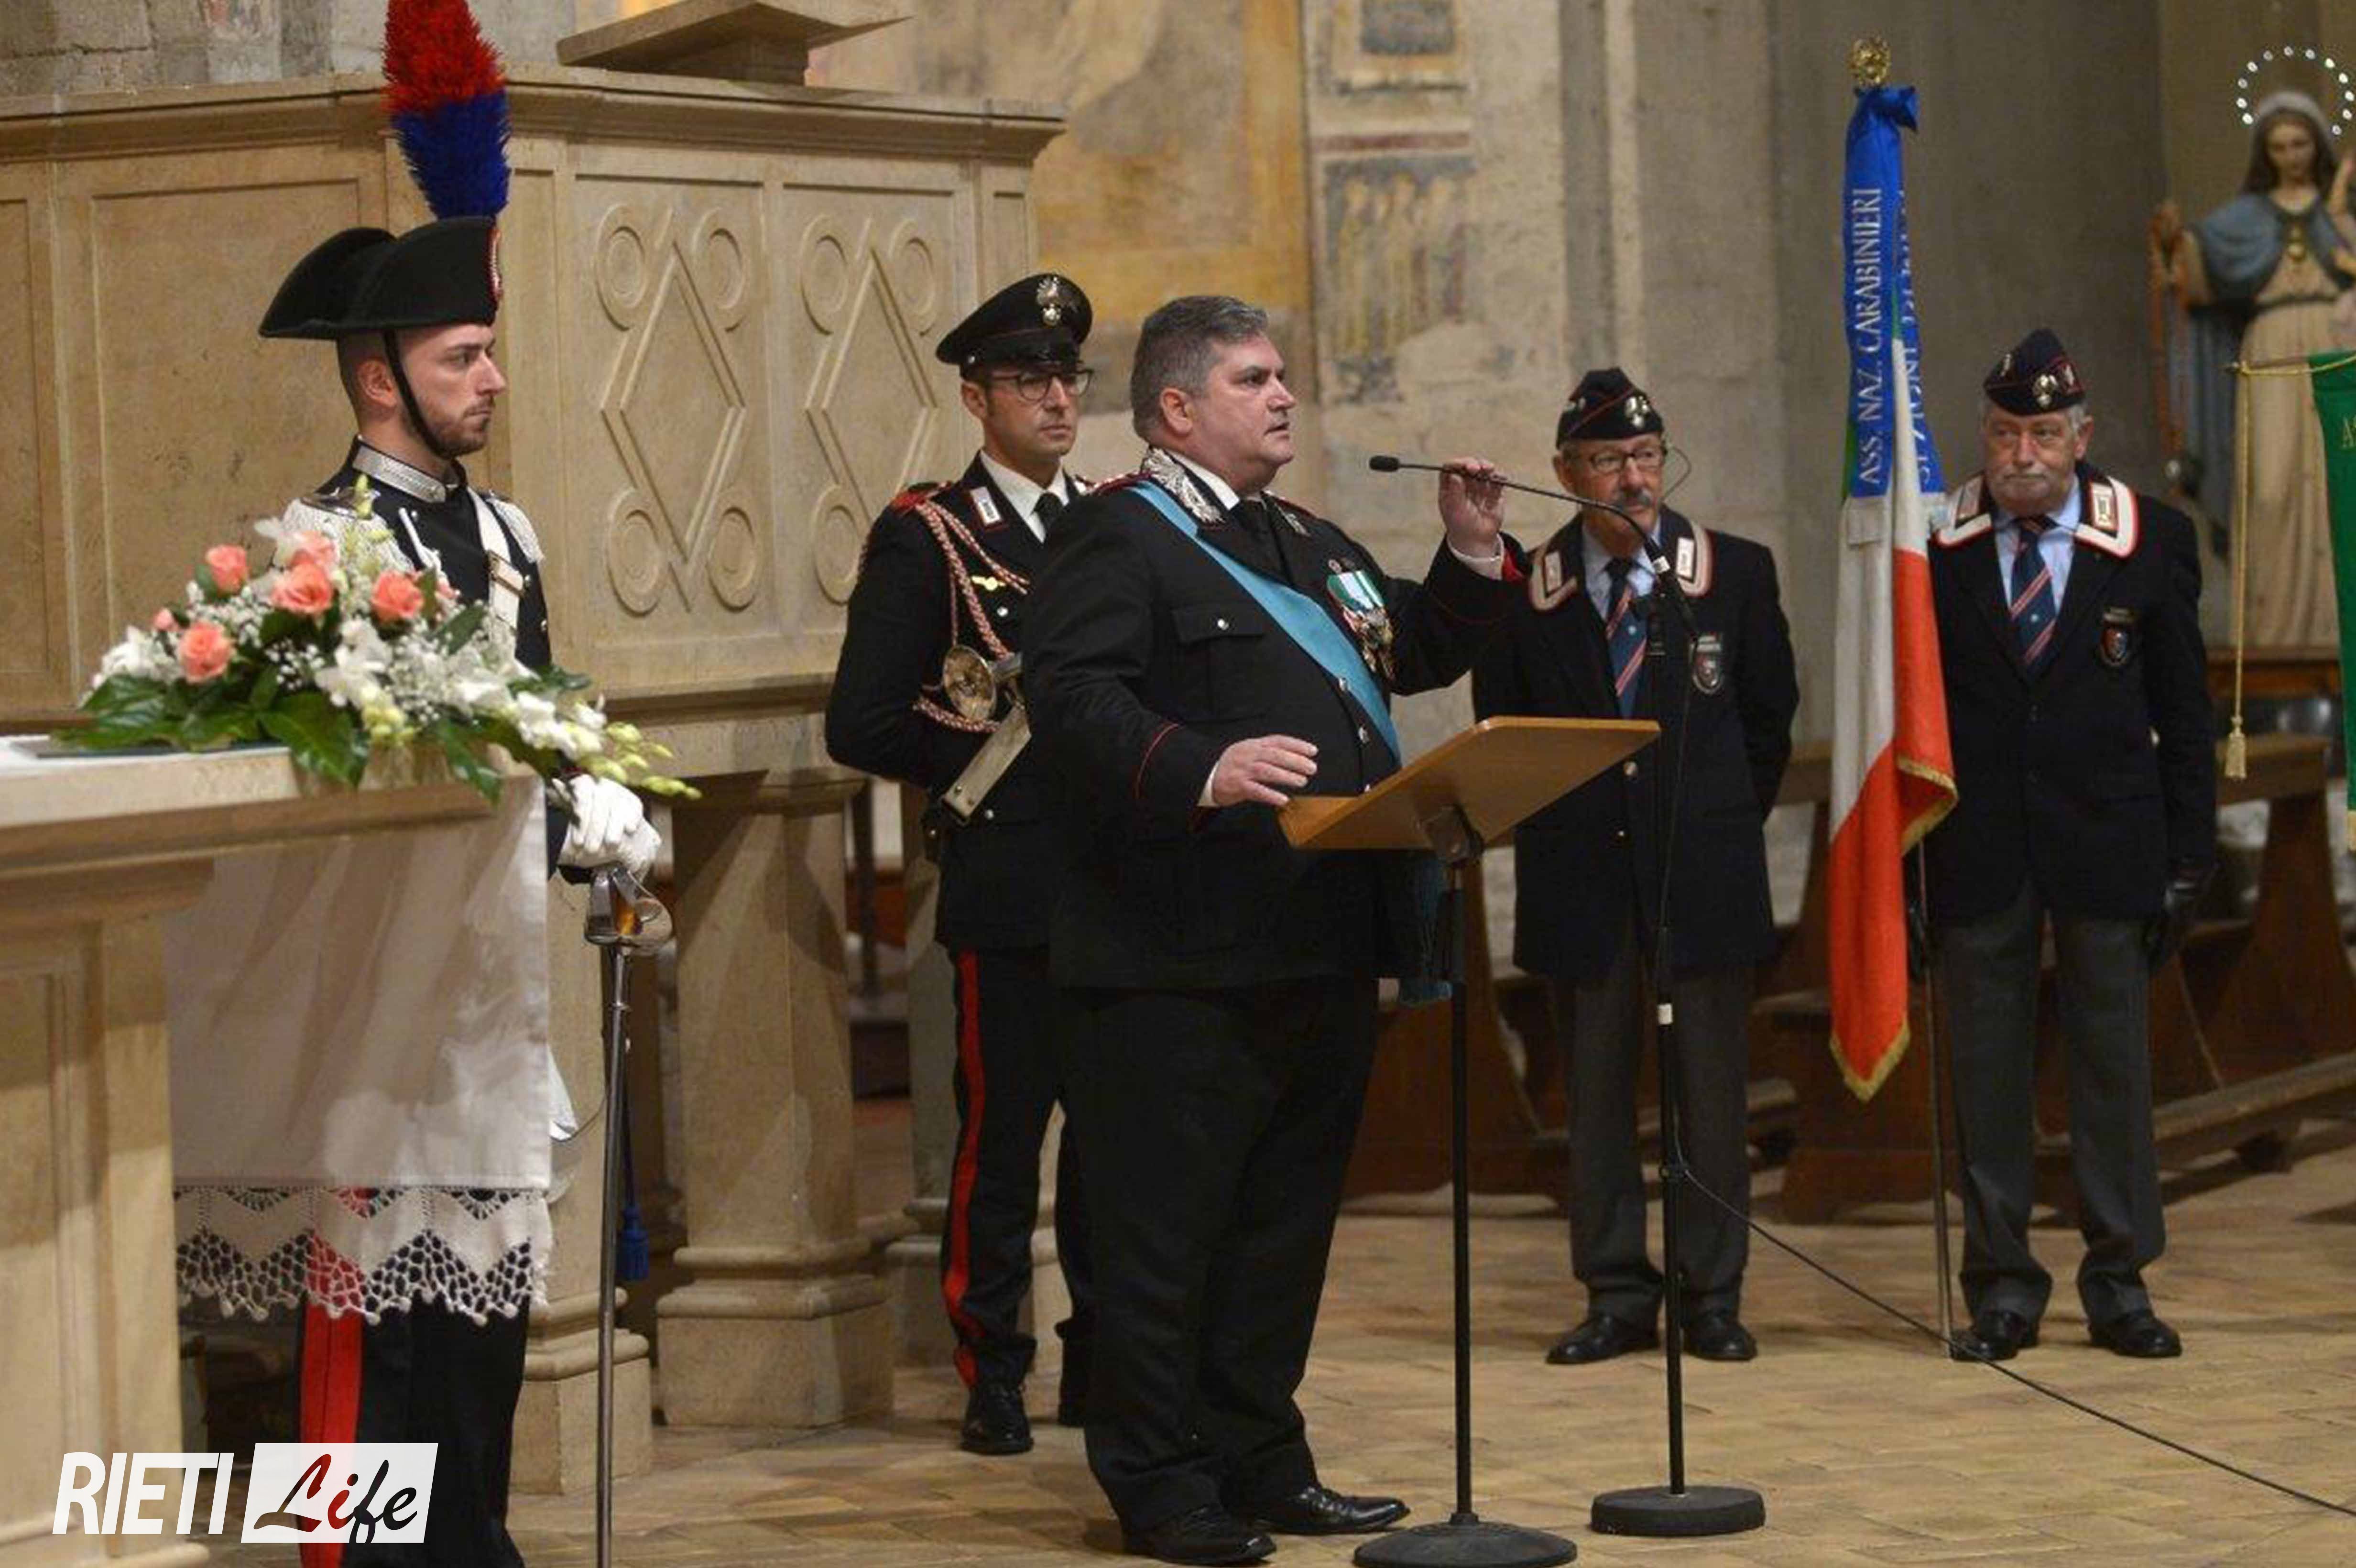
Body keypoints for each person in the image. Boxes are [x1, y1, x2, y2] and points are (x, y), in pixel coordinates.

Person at [1024, 294, 1514, 1567]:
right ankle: (1160, 1483)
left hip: (1318, 936)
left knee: (1279, 1233)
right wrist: (1200, 762)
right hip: (1174, 956)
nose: (1285, 394)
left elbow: (1405, 650)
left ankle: (1261, 1458)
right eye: (1254, 379)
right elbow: (1068, 698)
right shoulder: (1113, 535)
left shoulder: (1303, 538)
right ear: (1177, 408)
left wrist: (1468, 553)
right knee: (1163, 1237)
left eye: (1283, 374)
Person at [257, 212, 658, 1566]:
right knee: (377, 1331)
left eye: (490, 351)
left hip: (495, 989)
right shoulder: (319, 545)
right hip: (377, 994)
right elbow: (357, 786)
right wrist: (542, 798)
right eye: (463, 357)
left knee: (483, 1314)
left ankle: (471, 1540)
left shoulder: (504, 531)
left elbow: (533, 719)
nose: (493, 379)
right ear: (381, 378)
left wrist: (591, 796)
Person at [826, 271, 1099, 1456]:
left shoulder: (1114, 519)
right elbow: (861, 720)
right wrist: (995, 754)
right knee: (1001, 1146)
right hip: (1009, 883)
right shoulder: (929, 532)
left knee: (1115, 1143)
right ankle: (994, 1367)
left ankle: (1105, 1355)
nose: (1057, 398)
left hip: (1120, 882)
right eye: (1030, 380)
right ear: (977, 397)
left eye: (1067, 376)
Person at [1472, 368, 1795, 1367]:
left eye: (1646, 456)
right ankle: (1614, 1291)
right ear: (1565, 472)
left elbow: (1768, 722)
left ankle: (1711, 1295)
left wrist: (1706, 822)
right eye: (1608, 460)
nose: (1633, 479)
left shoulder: (1732, 573)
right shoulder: (1528, 592)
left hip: (1700, 879)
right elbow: (1505, 727)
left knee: (1710, 1094)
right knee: (1598, 1100)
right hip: (1580, 884)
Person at [1925, 328, 2215, 1363]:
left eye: (2044, 434)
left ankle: (2119, 1281)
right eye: (2005, 433)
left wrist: (2190, 857)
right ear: (1985, 435)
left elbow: (2183, 711)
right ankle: (2001, 1285)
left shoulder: (2148, 538)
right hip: (1979, 847)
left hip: (2108, 840)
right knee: (1987, 1074)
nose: (2023, 454)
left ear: (2081, 438)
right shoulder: (1934, 544)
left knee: (2111, 1071)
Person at [2152, 90, 2356, 644]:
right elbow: (2196, 278)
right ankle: (2274, 637)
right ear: (2264, 153)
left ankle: (2337, 631)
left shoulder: (2338, 212)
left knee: (2336, 480)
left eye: (2299, 144)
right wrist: (2174, 245)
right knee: (2270, 487)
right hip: (2269, 351)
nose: (2290, 156)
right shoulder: (2243, 219)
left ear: (2317, 146)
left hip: (2335, 346)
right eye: (2278, 147)